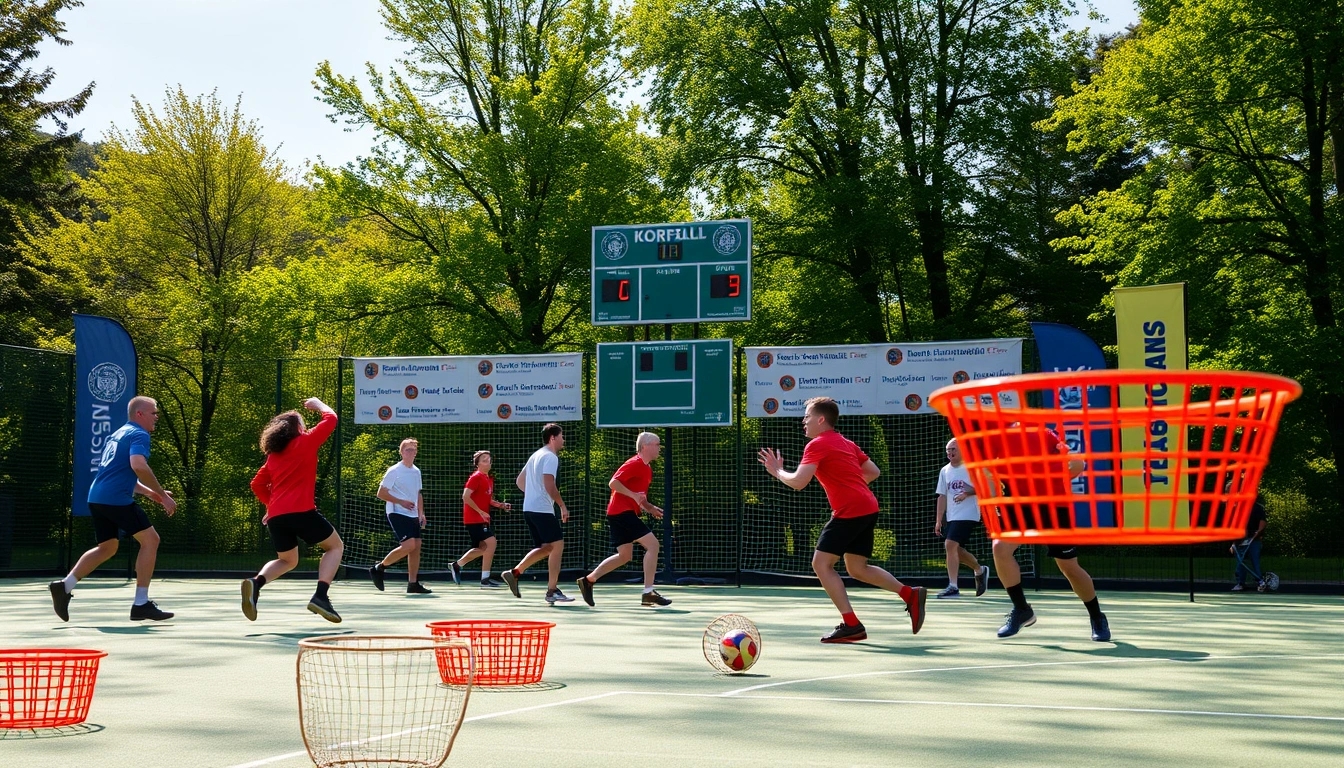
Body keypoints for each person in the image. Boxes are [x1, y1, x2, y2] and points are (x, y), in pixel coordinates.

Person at [758, 397, 927, 643]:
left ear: (821, 419)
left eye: (806, 417)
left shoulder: (817, 444)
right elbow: (874, 471)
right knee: (857, 568)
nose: (803, 421)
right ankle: (909, 594)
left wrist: (777, 471)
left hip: (851, 510)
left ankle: (852, 625)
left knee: (821, 564)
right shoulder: (845, 442)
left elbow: (798, 482)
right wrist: (852, 486)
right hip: (867, 506)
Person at [976, 424, 1110, 641]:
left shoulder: (1041, 433)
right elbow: (986, 471)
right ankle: (1021, 609)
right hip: (1019, 505)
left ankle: (1097, 617)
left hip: (1052, 506)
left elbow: (1077, 464)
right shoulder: (992, 437)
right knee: (1000, 547)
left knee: (1069, 567)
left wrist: (1051, 478)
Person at [49, 395, 177, 622]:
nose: (156, 417)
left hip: (97, 497)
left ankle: (64, 587)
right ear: (140, 414)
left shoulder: (118, 434)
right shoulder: (139, 434)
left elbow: (120, 474)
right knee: (151, 540)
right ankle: (141, 604)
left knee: (107, 548)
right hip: (115, 499)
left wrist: (152, 494)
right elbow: (138, 465)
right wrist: (162, 496)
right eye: (154, 413)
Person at [242, 397, 345, 623]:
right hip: (302, 511)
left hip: (277, 517)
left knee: (288, 560)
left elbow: (256, 484)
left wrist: (271, 506)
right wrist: (318, 404)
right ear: (298, 428)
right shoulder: (306, 441)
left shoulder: (273, 456)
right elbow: (331, 418)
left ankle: (256, 583)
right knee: (335, 546)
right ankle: (320, 596)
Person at [576, 431, 672, 608]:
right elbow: (613, 483)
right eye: (657, 444)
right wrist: (633, 496)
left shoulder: (647, 469)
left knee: (624, 555)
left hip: (620, 513)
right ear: (645, 446)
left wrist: (649, 508)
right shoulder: (634, 463)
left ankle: (588, 580)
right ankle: (648, 592)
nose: (660, 448)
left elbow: (640, 498)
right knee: (653, 545)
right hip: (622, 512)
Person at [500, 423, 573, 603]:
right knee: (558, 546)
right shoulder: (550, 457)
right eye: (562, 436)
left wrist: (533, 494)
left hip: (530, 508)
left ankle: (514, 573)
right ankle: (552, 590)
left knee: (547, 548)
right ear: (553, 437)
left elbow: (519, 481)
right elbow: (549, 484)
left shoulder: (536, 455)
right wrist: (562, 506)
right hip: (542, 509)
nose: (564, 440)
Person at [369, 438, 431, 595]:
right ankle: (379, 568)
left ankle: (413, 583)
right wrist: (400, 502)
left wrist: (421, 513)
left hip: (412, 514)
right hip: (396, 512)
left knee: (416, 546)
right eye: (407, 450)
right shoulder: (394, 470)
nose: (411, 452)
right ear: (401, 452)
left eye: (413, 450)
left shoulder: (416, 471)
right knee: (409, 545)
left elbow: (418, 494)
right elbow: (381, 493)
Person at [934, 438, 990, 599]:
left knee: (950, 544)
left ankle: (953, 587)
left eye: (953, 449)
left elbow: (985, 489)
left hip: (969, 514)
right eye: (948, 450)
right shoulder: (945, 471)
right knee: (955, 549)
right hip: (952, 516)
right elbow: (942, 496)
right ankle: (980, 570)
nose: (950, 453)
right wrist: (939, 520)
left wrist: (967, 492)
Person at [451, 450, 510, 589]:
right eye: (484, 460)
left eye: (489, 459)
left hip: (482, 518)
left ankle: (457, 565)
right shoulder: (476, 477)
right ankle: (485, 580)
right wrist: (480, 512)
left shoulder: (488, 479)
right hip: (474, 518)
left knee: (483, 548)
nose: (487, 462)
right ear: (477, 464)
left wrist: (501, 505)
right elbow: (465, 496)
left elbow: (488, 499)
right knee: (491, 543)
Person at [1230, 492, 1268, 591]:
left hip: (1254, 541)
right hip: (1242, 541)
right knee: (1241, 562)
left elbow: (1262, 523)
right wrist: (1234, 543)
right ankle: (1240, 583)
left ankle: (1260, 582)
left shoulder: (1258, 508)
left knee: (1255, 562)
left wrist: (1256, 535)